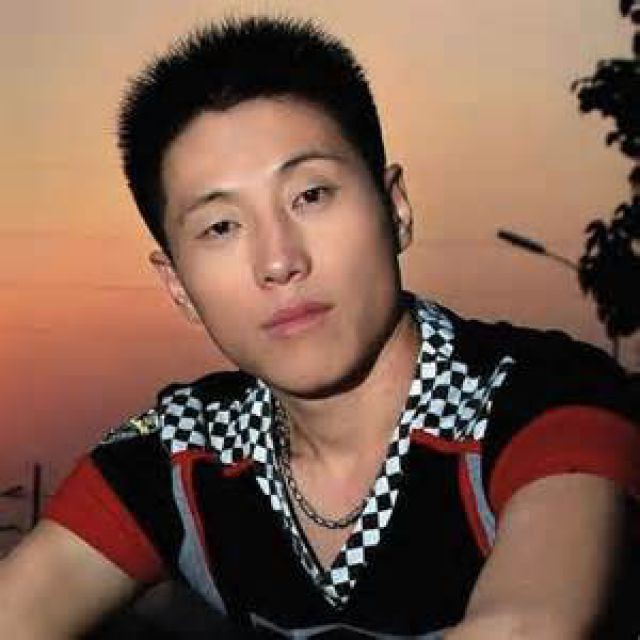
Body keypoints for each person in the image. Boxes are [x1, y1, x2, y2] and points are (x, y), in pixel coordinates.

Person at [1, 16, 639, 639]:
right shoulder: (181, 454)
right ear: (178, 286)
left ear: (395, 208)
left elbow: (533, 622)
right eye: (221, 227)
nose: (279, 261)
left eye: (311, 195)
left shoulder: (543, 399)